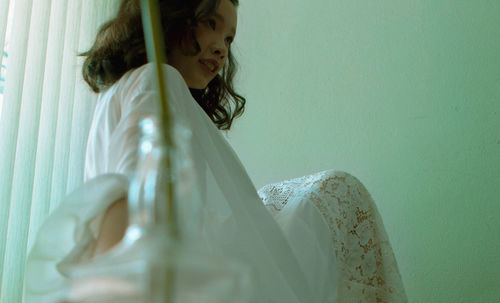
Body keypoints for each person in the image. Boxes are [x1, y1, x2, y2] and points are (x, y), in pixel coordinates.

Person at [23, 0, 408, 302]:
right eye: (211, 23)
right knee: (337, 190)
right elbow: (133, 178)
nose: (221, 49)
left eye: (229, 39)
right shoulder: (157, 78)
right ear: (174, 14)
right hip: (176, 265)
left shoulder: (128, 90)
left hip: (177, 255)